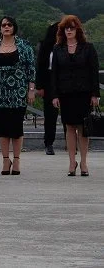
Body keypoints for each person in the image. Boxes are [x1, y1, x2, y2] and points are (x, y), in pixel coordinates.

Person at [0, 16, 35, 176]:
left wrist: (31, 89)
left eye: (9, 25)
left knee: (16, 127)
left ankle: (17, 159)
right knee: (2, 128)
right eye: (3, 25)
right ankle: (6, 159)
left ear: (14, 27)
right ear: (0, 28)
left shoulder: (24, 45)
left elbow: (31, 69)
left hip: (18, 92)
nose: (6, 27)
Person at [51, 15, 100, 177]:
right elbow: (54, 75)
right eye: (66, 28)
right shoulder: (57, 49)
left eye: (72, 27)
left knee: (83, 128)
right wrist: (55, 95)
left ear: (77, 29)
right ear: (62, 31)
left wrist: (95, 94)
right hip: (65, 94)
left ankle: (84, 162)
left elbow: (94, 72)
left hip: (84, 94)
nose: (69, 30)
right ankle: (72, 162)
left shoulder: (88, 47)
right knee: (69, 128)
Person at [35, 23, 60, 155]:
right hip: (49, 81)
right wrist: (39, 86)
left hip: (66, 80)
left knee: (69, 112)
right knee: (50, 115)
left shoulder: (70, 44)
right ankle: (49, 143)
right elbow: (40, 66)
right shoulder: (45, 46)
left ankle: (72, 142)